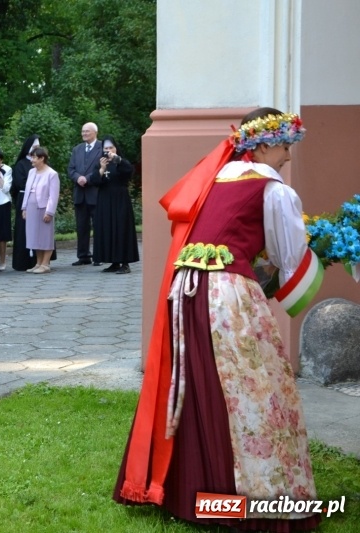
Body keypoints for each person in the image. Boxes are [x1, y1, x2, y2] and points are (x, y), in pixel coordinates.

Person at [114, 108, 322, 531]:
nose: (287, 154)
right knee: (251, 385)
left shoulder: (215, 177)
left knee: (194, 380)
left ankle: (187, 491)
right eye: (284, 145)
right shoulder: (273, 188)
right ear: (261, 145)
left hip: (184, 289)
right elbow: (287, 257)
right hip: (226, 293)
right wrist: (318, 256)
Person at [91, 136, 140, 274]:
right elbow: (94, 181)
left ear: (115, 148)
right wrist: (102, 169)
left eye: (110, 148)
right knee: (108, 229)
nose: (108, 150)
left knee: (121, 229)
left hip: (120, 199)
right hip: (105, 200)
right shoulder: (101, 163)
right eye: (105, 148)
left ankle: (125, 263)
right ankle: (114, 262)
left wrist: (117, 160)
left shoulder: (121, 162)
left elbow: (129, 171)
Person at [67, 122, 103, 265]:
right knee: (81, 226)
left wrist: (87, 179)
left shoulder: (102, 147)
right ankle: (83, 256)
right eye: (83, 131)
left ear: (95, 132)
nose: (84, 134)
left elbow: (103, 168)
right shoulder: (77, 149)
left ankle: (99, 256)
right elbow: (71, 169)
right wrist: (78, 178)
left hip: (95, 193)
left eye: (87, 131)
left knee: (98, 226)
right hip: (80, 194)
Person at [21, 147, 59, 274]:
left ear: (42, 158)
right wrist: (24, 208)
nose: (31, 160)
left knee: (45, 236)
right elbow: (27, 191)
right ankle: (38, 263)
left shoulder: (52, 174)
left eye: (34, 157)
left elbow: (53, 196)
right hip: (31, 208)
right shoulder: (31, 172)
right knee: (35, 236)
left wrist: (49, 212)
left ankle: (45, 264)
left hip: (43, 208)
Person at [11, 134, 40, 271]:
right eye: (34, 146)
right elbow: (20, 183)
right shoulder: (20, 164)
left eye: (38, 147)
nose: (36, 149)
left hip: (40, 199)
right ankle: (23, 262)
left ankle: (40, 260)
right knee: (23, 230)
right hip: (25, 199)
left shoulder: (42, 163)